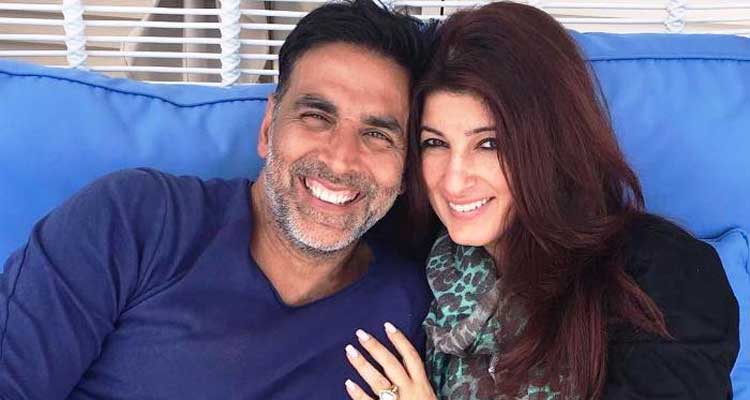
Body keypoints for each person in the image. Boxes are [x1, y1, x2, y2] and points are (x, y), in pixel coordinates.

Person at [0, 1, 437, 398]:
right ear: (267, 128)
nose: (340, 160)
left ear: (406, 171)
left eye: (377, 134)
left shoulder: (416, 308)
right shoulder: (135, 219)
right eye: (316, 117)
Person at [343, 2, 739, 399]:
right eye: (435, 143)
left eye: (490, 144)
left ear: (553, 143)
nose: (454, 179)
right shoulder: (417, 253)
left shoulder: (665, 277)